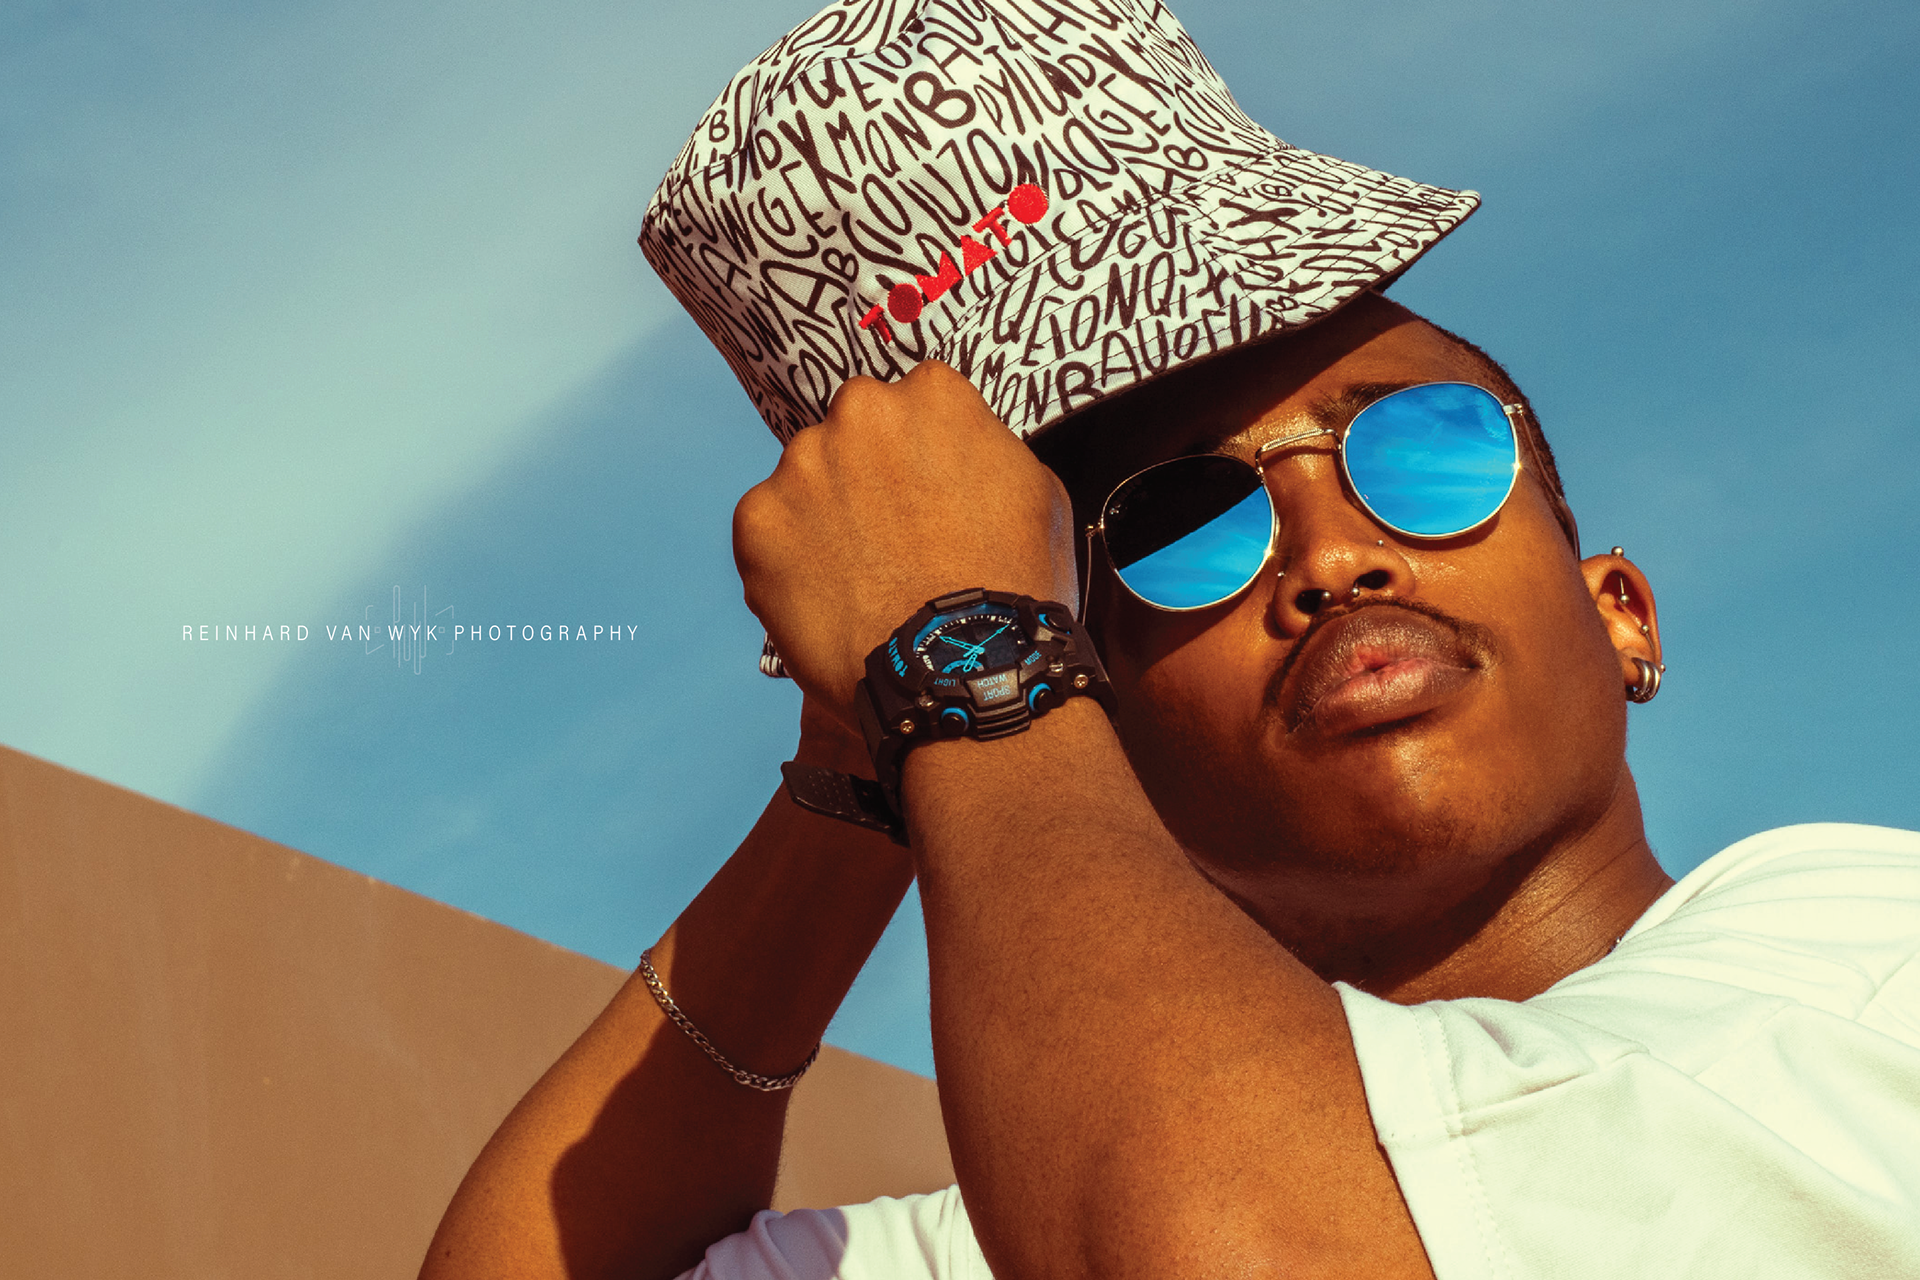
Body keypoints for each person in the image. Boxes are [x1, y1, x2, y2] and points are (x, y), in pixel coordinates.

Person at [420, 1, 1920, 1277]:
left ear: (1619, 611)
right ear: (1106, 714)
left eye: (1427, 451)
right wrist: (883, 751)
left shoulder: (1862, 947)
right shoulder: (1064, 1178)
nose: (1333, 555)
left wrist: (963, 657)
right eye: (1180, 526)